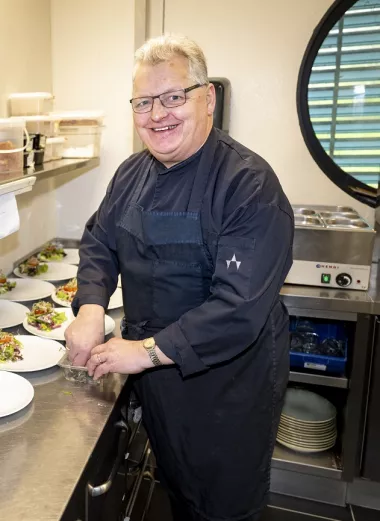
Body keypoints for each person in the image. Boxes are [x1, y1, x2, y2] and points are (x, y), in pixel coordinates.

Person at [65, 34, 294, 521]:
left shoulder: (248, 185)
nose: (157, 114)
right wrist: (90, 308)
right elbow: (99, 242)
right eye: (144, 102)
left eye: (174, 97)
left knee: (221, 506)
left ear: (207, 97)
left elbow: (237, 311)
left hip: (226, 390)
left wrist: (143, 352)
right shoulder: (131, 173)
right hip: (156, 379)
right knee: (177, 489)